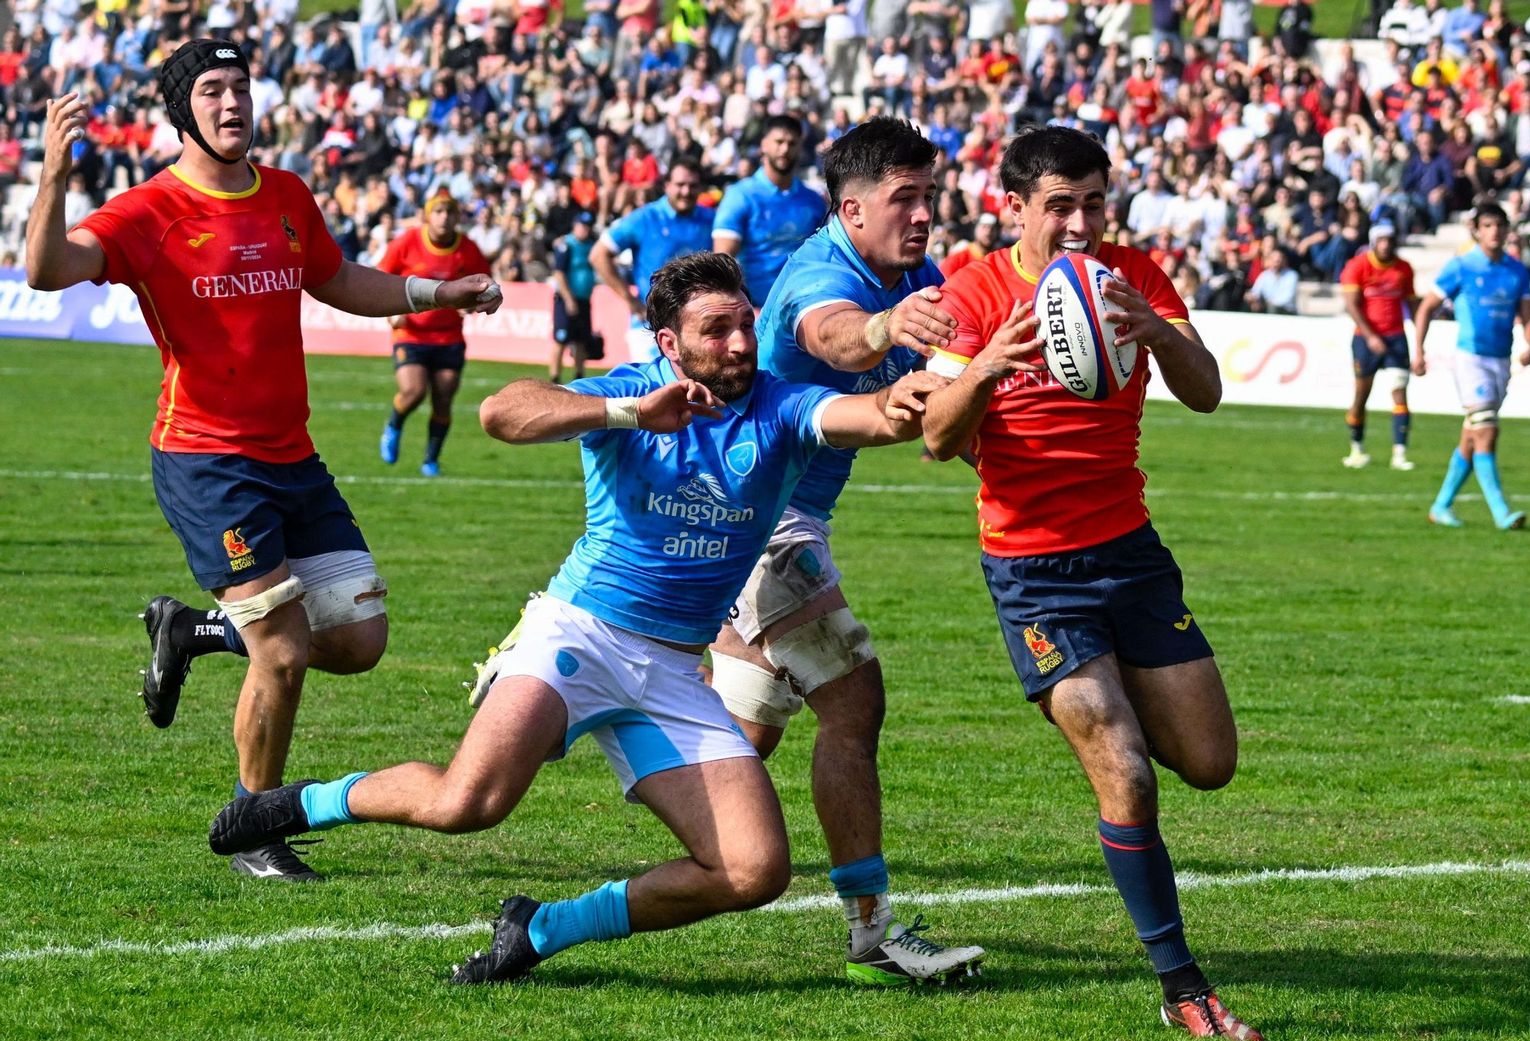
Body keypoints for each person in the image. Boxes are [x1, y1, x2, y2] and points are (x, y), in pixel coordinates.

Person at [207, 252, 955, 983]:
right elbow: (501, 411)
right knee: (468, 802)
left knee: (754, 871)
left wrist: (942, 383)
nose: (737, 345)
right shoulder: (634, 391)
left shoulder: (781, 407)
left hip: (672, 670)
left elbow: (875, 416)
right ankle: (291, 804)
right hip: (578, 636)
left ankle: (543, 928)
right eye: (715, 330)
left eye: (744, 325)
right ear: (670, 343)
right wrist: (628, 414)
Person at [24, 39, 502, 881]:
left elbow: (337, 279)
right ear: (181, 111)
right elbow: (48, 268)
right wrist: (55, 175)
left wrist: (434, 293)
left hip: (293, 456)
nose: (232, 103)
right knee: (280, 649)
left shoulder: (284, 194)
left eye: (241, 88)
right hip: (208, 462)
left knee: (358, 638)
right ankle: (256, 827)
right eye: (211, 91)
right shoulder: (148, 211)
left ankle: (192, 630)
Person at [919, 126, 1261, 1041]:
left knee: (1211, 764)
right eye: (1060, 205)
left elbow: (1206, 391)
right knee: (1128, 772)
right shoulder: (973, 292)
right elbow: (937, 440)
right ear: (1016, 206)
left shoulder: (1136, 275)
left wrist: (1156, 330)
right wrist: (988, 364)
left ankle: (1105, 699)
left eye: (1095, 203)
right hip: (1034, 573)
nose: (1080, 222)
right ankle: (1182, 983)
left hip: (1132, 556)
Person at [706, 117, 985, 987]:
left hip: (774, 521)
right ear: (852, 207)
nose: (923, 214)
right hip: (757, 520)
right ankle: (872, 934)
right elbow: (834, 334)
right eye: (904, 198)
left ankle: (565, 693)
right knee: (854, 704)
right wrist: (885, 327)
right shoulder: (825, 274)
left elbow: (943, 401)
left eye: (929, 197)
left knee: (743, 735)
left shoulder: (915, 279)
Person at [1414, 201, 1530, 530]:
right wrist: (1419, 350)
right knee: (1487, 430)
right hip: (1471, 358)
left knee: (1472, 435)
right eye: (1488, 226)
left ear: (1507, 230)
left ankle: (1441, 505)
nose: (1494, 232)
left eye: (1499, 226)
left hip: (1500, 360)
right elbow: (1425, 308)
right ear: (1477, 231)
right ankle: (1501, 512)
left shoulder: (1516, 270)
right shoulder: (1462, 267)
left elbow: (1527, 313)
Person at [376, 189, 494, 478]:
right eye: (439, 212)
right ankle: (394, 425)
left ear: (457, 217)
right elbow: (380, 277)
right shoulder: (407, 242)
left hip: (449, 337)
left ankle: (431, 460)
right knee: (413, 392)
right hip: (412, 334)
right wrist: (392, 312)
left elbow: (485, 283)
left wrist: (475, 303)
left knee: (443, 399)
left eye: (450, 212)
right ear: (429, 215)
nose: (444, 217)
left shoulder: (467, 248)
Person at [591, 158, 715, 362]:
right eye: (680, 185)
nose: (686, 191)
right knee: (655, 391)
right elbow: (598, 255)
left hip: (697, 327)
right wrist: (631, 302)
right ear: (667, 186)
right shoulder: (645, 218)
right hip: (649, 329)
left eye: (693, 186)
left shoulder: (711, 219)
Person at [711, 113, 828, 310]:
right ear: (764, 145)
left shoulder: (813, 200)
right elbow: (722, 261)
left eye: (792, 143)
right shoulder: (741, 195)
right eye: (779, 142)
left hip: (805, 308)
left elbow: (825, 256)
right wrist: (745, 313)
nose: (785, 149)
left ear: (800, 146)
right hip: (756, 310)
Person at [1338, 223, 1420, 471]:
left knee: (1399, 392)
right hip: (1365, 339)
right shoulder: (1358, 266)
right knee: (1361, 396)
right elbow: (1352, 306)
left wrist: (1420, 339)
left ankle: (1399, 453)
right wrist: (1371, 336)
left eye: (1389, 240)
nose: (1386, 244)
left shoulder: (1403, 268)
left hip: (1396, 338)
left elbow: (1412, 304)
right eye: (1381, 240)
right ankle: (1356, 449)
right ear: (1374, 242)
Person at [550, 211, 603, 383]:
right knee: (561, 339)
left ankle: (579, 377)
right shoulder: (566, 245)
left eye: (588, 226)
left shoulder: (591, 246)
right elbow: (559, 274)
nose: (585, 230)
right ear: (575, 226)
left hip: (584, 299)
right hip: (567, 299)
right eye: (583, 226)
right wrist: (569, 298)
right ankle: (555, 378)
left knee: (581, 340)